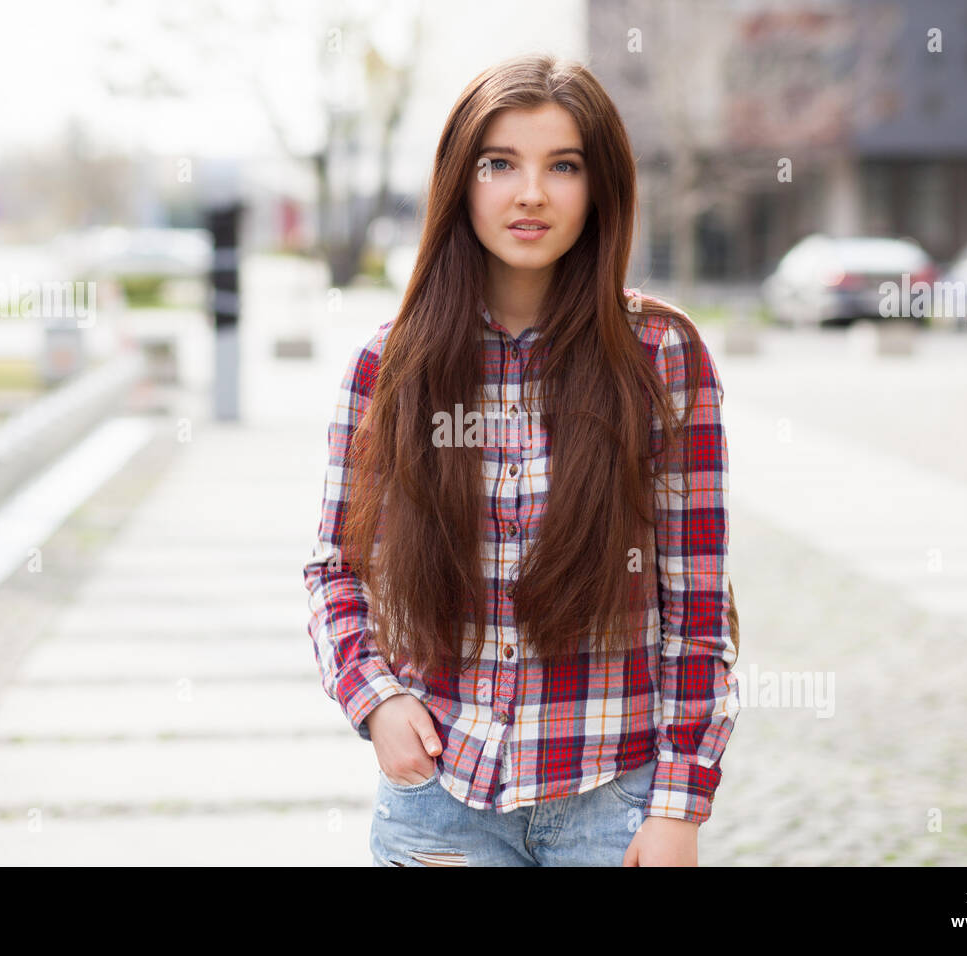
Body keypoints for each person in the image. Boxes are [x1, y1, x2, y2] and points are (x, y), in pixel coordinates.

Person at [303, 52, 740, 867]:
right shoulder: (389, 365)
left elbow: (698, 605)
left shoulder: (661, 355)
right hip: (441, 804)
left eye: (562, 166)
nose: (529, 192)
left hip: (615, 806)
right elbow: (336, 568)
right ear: (458, 182)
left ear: (599, 187)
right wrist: (376, 699)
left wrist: (680, 802)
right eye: (498, 163)